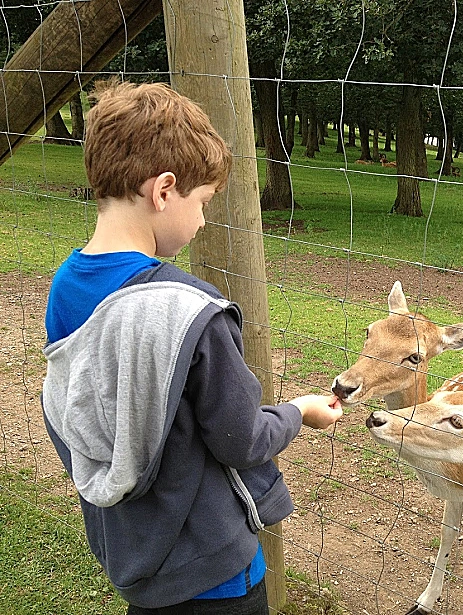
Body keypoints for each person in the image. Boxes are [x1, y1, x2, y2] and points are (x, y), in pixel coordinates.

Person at [41, 80, 343, 614]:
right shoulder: (191, 312)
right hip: (215, 574)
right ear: (163, 190)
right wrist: (298, 411)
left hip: (136, 557)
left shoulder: (65, 290)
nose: (203, 220)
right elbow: (241, 438)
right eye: (201, 202)